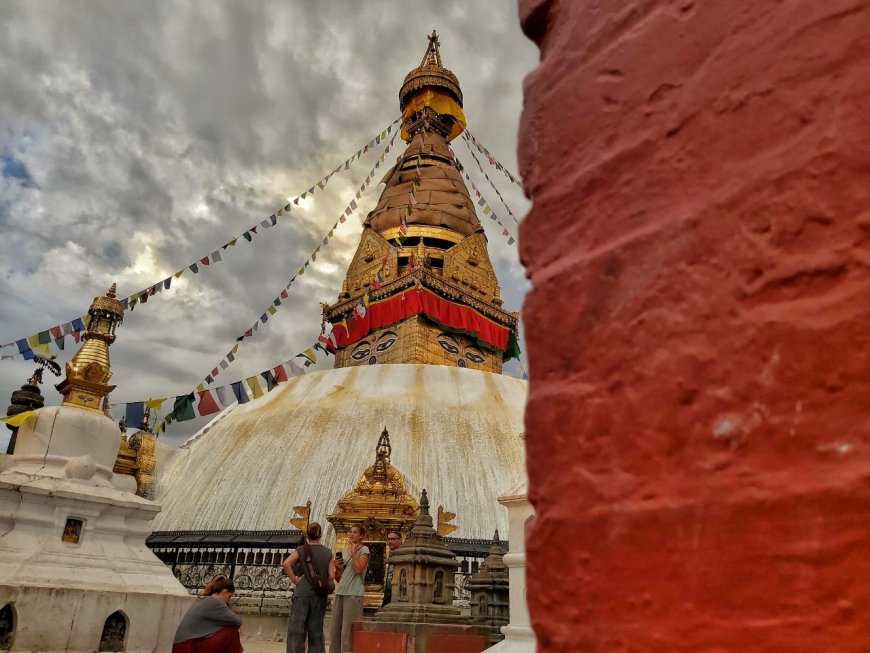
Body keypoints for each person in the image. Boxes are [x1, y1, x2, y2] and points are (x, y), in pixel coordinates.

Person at [282, 522, 336, 653]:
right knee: (316, 631)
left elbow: (286, 564)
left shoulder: (301, 550)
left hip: (302, 594)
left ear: (307, 535)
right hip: (319, 595)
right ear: (320, 535)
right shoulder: (328, 553)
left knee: (297, 630)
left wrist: (295, 579)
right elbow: (331, 575)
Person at [173, 575, 243, 653]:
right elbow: (238, 620)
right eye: (229, 597)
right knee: (232, 631)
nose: (228, 601)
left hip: (182, 646)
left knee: (230, 629)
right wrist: (236, 626)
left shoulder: (205, 599)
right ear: (225, 592)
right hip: (188, 647)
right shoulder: (216, 603)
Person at [329, 525, 370, 653]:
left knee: (348, 630)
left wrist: (353, 553)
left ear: (361, 535)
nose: (351, 534)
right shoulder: (344, 549)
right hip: (340, 591)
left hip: (354, 593)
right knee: (335, 630)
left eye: (355, 532)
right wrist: (338, 567)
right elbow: (338, 578)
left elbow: (358, 570)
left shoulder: (364, 550)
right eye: (350, 532)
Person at [380, 530, 403, 607]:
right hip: (388, 589)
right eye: (389, 539)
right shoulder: (390, 554)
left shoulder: (404, 554)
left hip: (399, 591)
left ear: (400, 540)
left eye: (393, 539)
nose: (390, 541)